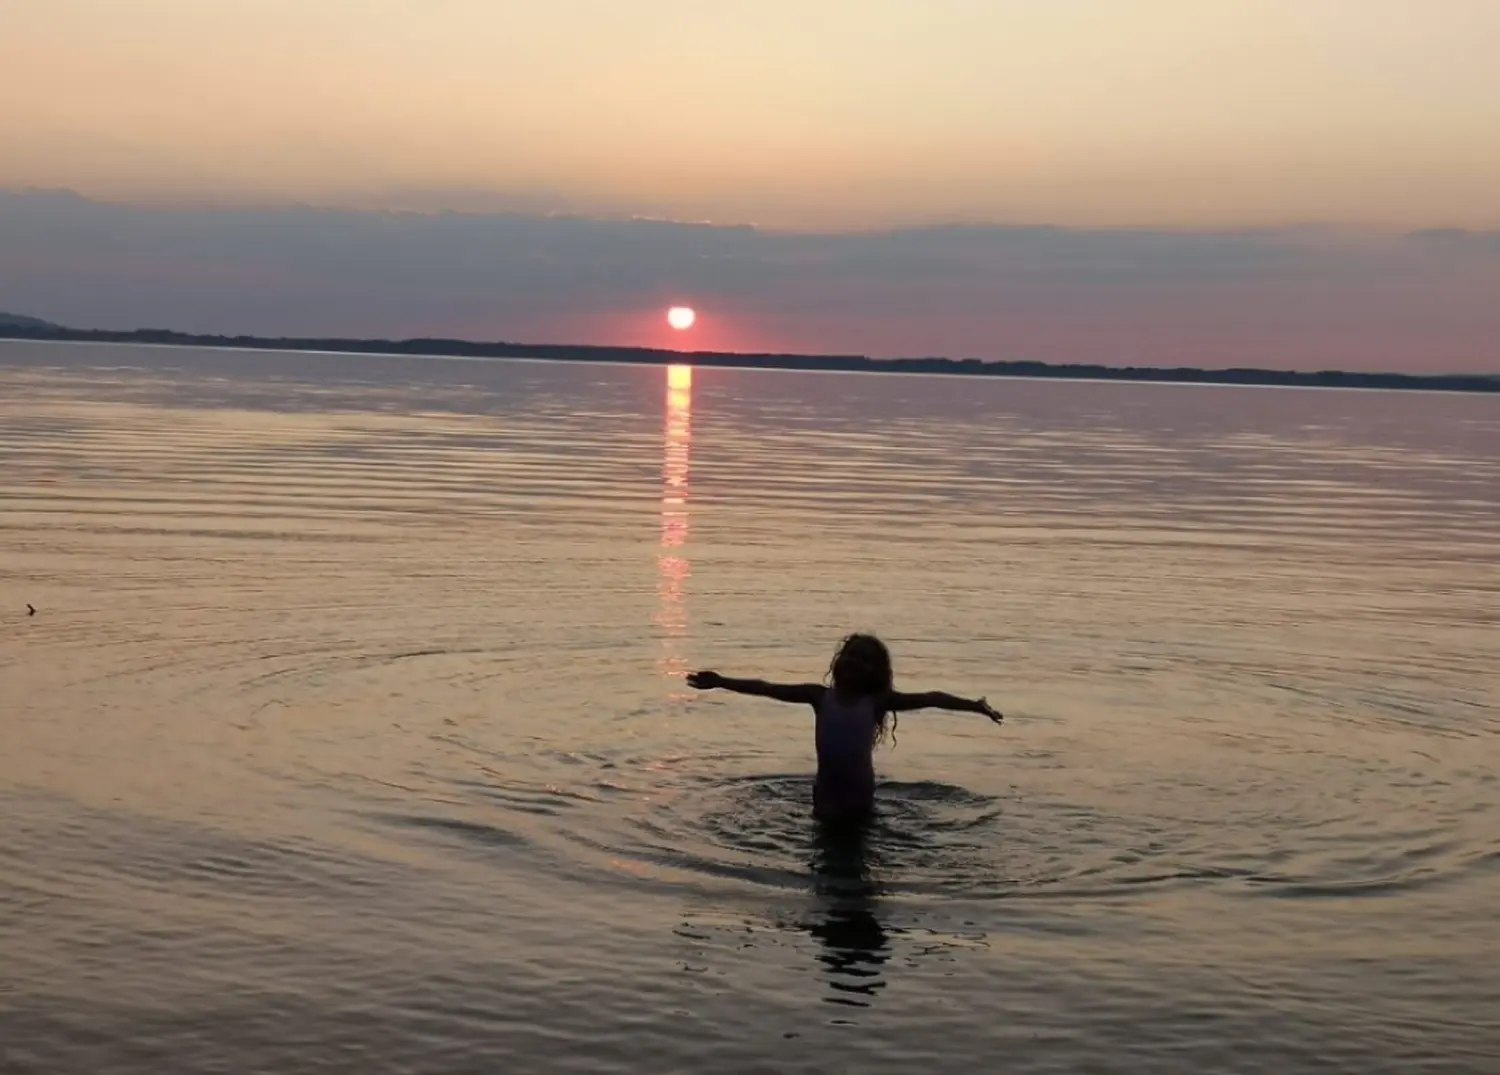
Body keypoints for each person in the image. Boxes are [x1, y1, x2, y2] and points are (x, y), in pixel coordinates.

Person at [687, 633, 1003, 822]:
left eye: (863, 659)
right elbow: (767, 687)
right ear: (838, 662)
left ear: (875, 673)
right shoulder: (819, 696)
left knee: (857, 848)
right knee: (825, 850)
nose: (853, 662)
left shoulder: (877, 702)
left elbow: (933, 698)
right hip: (825, 794)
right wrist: (721, 682)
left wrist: (975, 706)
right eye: (850, 655)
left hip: (859, 795)